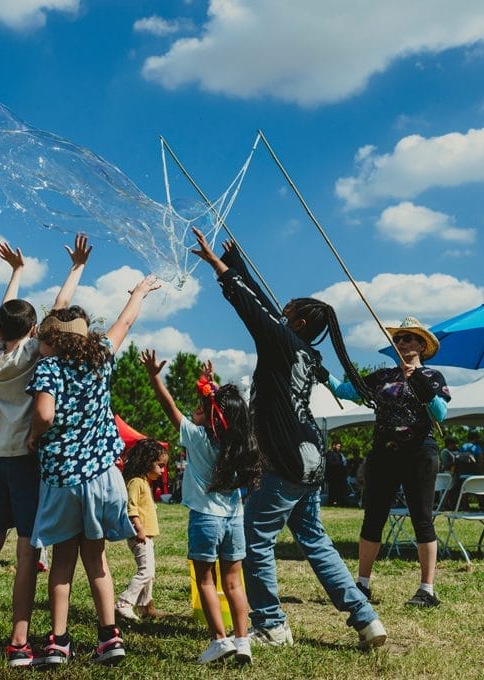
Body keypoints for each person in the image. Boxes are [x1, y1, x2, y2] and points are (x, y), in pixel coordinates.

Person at [191, 230, 387, 650]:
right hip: (311, 458)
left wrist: (218, 268)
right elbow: (262, 304)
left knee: (256, 539)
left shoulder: (281, 341)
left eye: (289, 309)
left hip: (285, 460)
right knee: (315, 539)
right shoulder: (306, 352)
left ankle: (272, 624)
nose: (281, 309)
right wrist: (238, 261)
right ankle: (366, 617)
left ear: (296, 322)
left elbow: (250, 308)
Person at [0, 235, 91, 668]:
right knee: (28, 549)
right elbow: (57, 311)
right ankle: (18, 642)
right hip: (30, 460)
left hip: (0, 460)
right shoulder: (34, 352)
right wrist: (77, 267)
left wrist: (15, 272)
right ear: (33, 332)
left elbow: (6, 317)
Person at [26, 274, 159, 668]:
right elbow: (126, 322)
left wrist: (35, 436)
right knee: (97, 561)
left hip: (64, 477)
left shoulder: (48, 368)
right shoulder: (101, 356)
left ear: (52, 339)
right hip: (104, 477)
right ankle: (109, 636)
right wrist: (137, 293)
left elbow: (44, 413)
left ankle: (59, 641)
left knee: (63, 561)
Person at [143, 351, 258, 665]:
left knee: (206, 580)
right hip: (234, 518)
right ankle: (243, 640)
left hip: (205, 518)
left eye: (200, 407)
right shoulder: (238, 443)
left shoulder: (194, 437)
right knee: (233, 582)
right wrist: (210, 383)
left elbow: (168, 405)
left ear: (210, 416)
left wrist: (155, 376)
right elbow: (224, 410)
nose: (194, 409)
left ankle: (220, 640)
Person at [329, 317, 451, 608]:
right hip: (384, 452)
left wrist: (417, 380)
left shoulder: (433, 376)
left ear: (422, 345)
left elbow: (440, 413)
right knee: (373, 516)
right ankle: (363, 583)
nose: (402, 343)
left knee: (422, 518)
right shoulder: (382, 376)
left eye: (409, 339)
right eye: (399, 339)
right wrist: (322, 373)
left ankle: (427, 589)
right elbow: (346, 391)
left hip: (420, 452)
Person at [114, 438, 169, 625]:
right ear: (147, 462)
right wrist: (139, 529)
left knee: (150, 572)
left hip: (146, 536)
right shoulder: (136, 482)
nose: (162, 471)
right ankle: (124, 602)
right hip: (140, 535)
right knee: (145, 571)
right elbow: (131, 508)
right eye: (160, 466)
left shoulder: (144, 482)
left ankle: (145, 606)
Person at [325, 442, 348, 507]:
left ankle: (339, 503)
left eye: (339, 446)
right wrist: (341, 463)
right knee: (332, 491)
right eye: (338, 446)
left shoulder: (339, 454)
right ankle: (331, 503)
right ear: (333, 446)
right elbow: (330, 463)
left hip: (340, 476)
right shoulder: (330, 453)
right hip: (333, 476)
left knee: (339, 491)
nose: (339, 448)